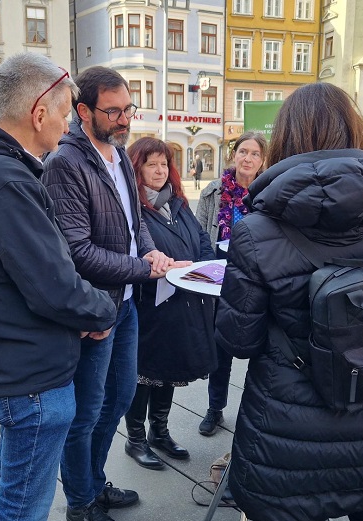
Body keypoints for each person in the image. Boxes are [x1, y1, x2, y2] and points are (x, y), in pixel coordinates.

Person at [215, 83, 363, 521]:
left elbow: (240, 339)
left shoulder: (256, 229)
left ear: (284, 140)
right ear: (357, 130)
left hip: (285, 427)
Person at [0, 52, 117, 521]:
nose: (65, 126)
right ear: (39, 112)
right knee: (23, 503)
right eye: (64, 115)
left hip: (14, 366)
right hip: (31, 378)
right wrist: (103, 312)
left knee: (9, 484)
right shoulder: (5, 179)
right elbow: (53, 285)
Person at [43, 66, 175, 521]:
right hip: (93, 311)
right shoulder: (66, 162)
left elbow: (135, 224)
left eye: (128, 109)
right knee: (86, 413)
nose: (124, 120)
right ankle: (80, 503)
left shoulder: (118, 157)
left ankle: (95, 483)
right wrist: (145, 269)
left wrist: (154, 254)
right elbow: (77, 252)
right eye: (113, 111)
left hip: (124, 305)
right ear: (83, 111)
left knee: (118, 400)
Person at [122, 137, 214, 470]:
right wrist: (164, 266)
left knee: (169, 372)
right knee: (145, 375)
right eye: (151, 164)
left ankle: (159, 431)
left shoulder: (178, 203)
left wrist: (199, 266)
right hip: (150, 305)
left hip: (182, 302)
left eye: (164, 163)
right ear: (137, 168)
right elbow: (129, 255)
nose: (160, 170)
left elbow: (202, 242)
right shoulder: (132, 208)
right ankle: (135, 439)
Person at [194, 131, 267, 436]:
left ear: (263, 161)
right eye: (243, 151)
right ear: (233, 155)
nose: (247, 158)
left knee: (262, 351)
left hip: (258, 283)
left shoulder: (269, 194)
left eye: (254, 154)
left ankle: (259, 413)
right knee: (220, 349)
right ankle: (215, 408)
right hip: (221, 282)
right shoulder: (213, 192)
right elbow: (199, 236)